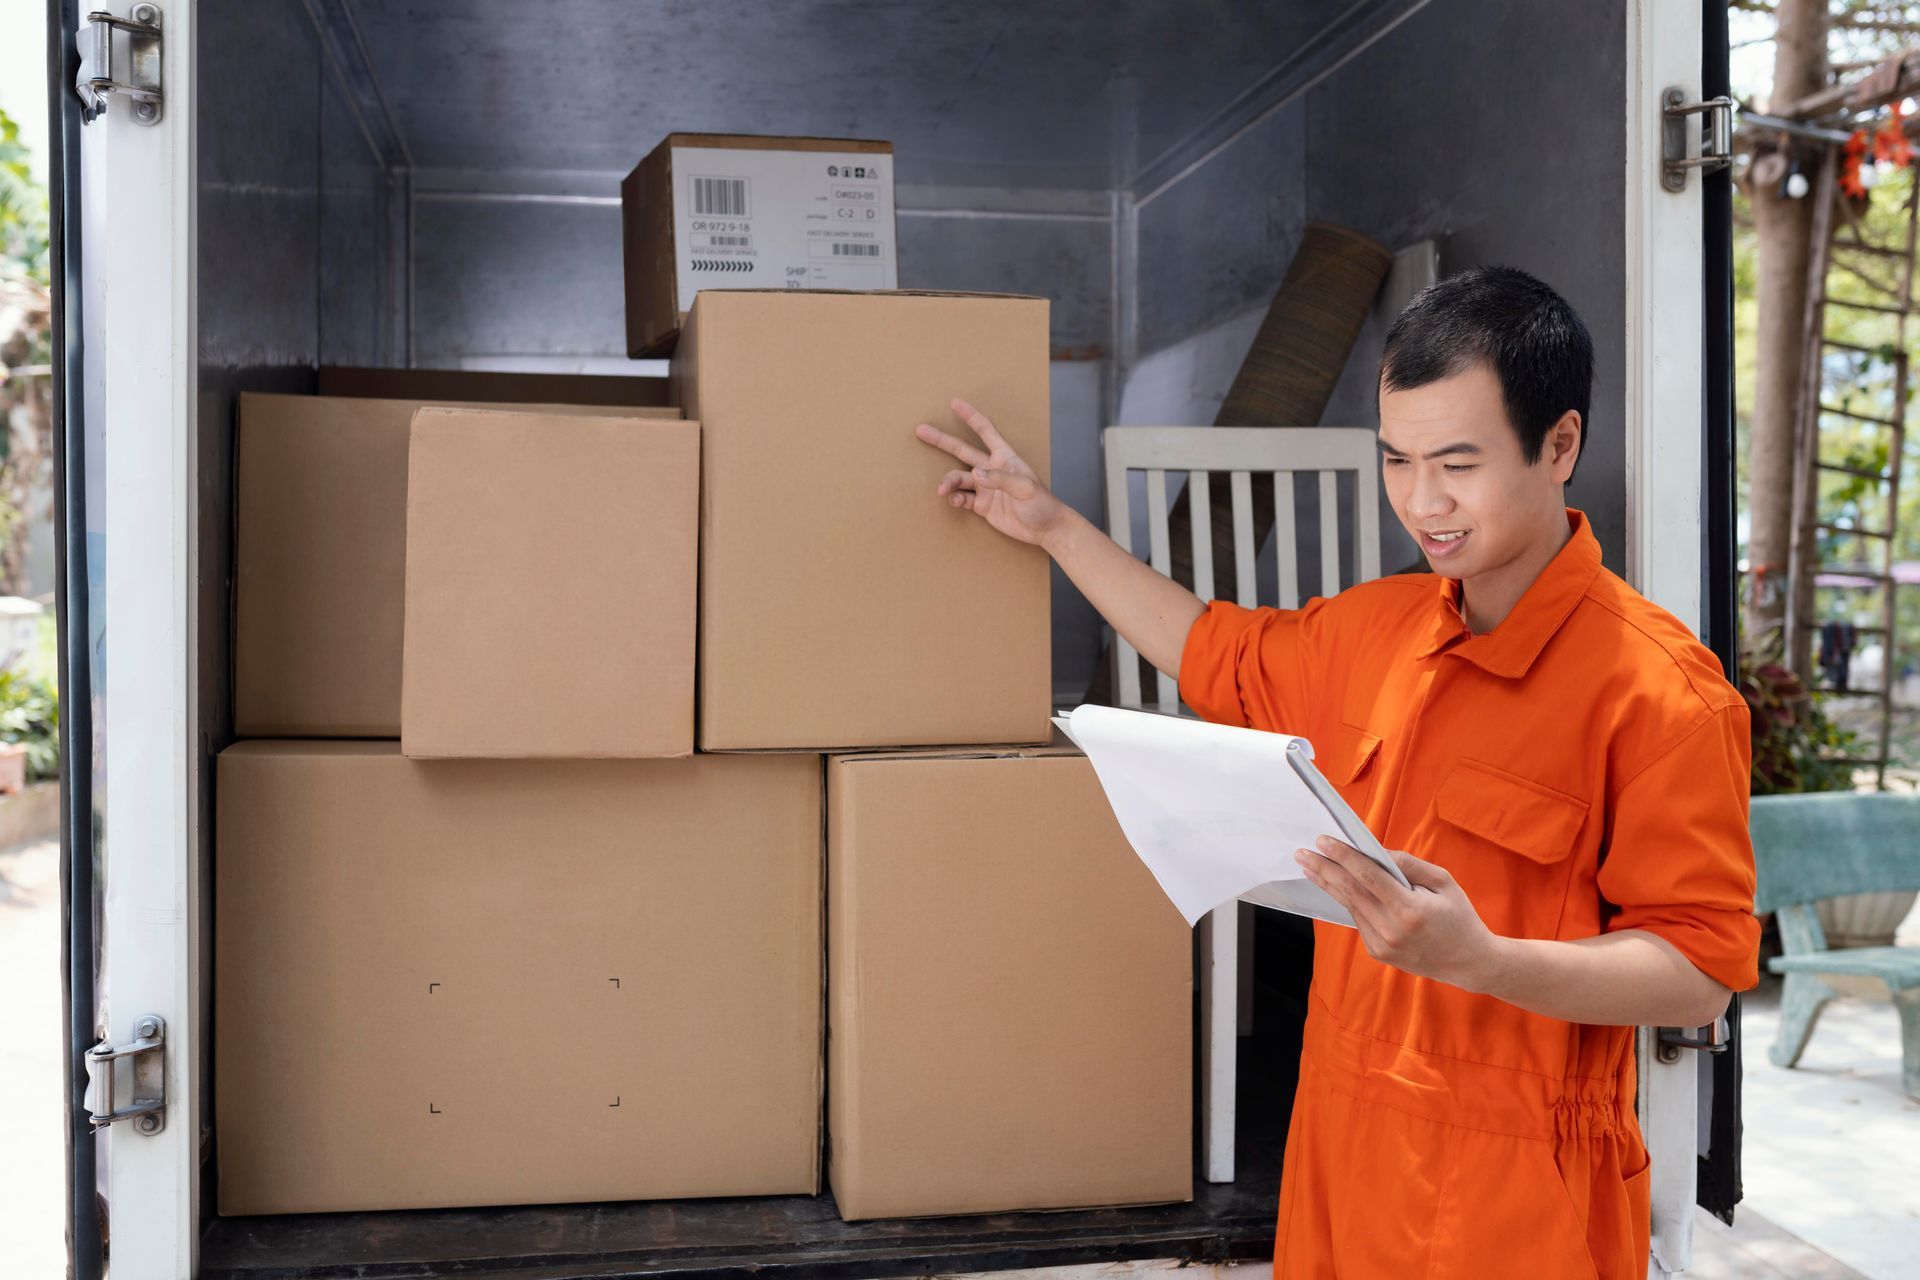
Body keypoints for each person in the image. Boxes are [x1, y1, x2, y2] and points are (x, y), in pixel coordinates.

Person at [914, 265, 1759, 1280]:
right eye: (1397, 460)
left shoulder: (1662, 694)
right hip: (1341, 1158)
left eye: (1458, 463)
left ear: (1561, 445)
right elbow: (1208, 650)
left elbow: (1701, 969)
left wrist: (1485, 959)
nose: (1423, 502)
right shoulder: (1372, 630)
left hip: (1520, 1197)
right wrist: (1048, 523)